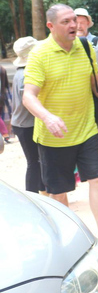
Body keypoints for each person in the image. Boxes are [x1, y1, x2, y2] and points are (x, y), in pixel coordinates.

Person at [22, 4, 98, 258]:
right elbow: (28, 96)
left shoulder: (85, 46)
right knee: (59, 191)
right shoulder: (40, 54)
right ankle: (71, 240)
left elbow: (96, 81)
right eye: (66, 21)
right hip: (53, 137)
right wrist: (47, 117)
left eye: (75, 20)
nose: (74, 25)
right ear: (51, 26)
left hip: (86, 129)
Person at [11, 36, 45, 194]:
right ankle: (32, 195)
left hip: (23, 123)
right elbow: (29, 101)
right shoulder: (25, 74)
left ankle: (42, 191)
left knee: (38, 161)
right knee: (34, 162)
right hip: (26, 125)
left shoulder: (22, 71)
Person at [0, 64, 11, 143]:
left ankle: (5, 134)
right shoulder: (3, 69)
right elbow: (7, 85)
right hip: (2, 97)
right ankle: (5, 134)